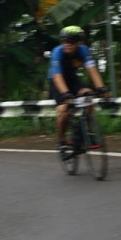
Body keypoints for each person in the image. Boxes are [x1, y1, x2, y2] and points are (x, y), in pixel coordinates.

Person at [48, 25, 108, 156]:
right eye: (65, 41)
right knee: (63, 110)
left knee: (88, 96)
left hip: (73, 79)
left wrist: (101, 87)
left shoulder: (83, 50)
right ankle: (61, 141)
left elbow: (92, 70)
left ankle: (88, 132)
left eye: (71, 42)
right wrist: (65, 94)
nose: (67, 44)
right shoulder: (57, 52)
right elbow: (57, 76)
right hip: (57, 81)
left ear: (78, 43)